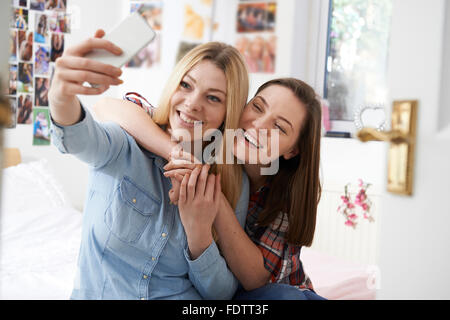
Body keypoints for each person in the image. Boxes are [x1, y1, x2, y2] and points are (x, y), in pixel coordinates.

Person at [48, 29, 250, 300]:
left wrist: (199, 234)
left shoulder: (231, 179)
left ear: (229, 112)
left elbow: (222, 294)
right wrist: (60, 97)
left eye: (213, 98)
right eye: (186, 85)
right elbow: (78, 139)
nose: (192, 104)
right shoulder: (126, 143)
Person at [93, 78, 326, 300]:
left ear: (292, 151)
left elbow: (255, 280)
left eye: (279, 127)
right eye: (257, 107)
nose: (258, 125)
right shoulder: (211, 128)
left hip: (281, 292)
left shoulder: (287, 192)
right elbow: (109, 106)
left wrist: (216, 198)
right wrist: (176, 153)